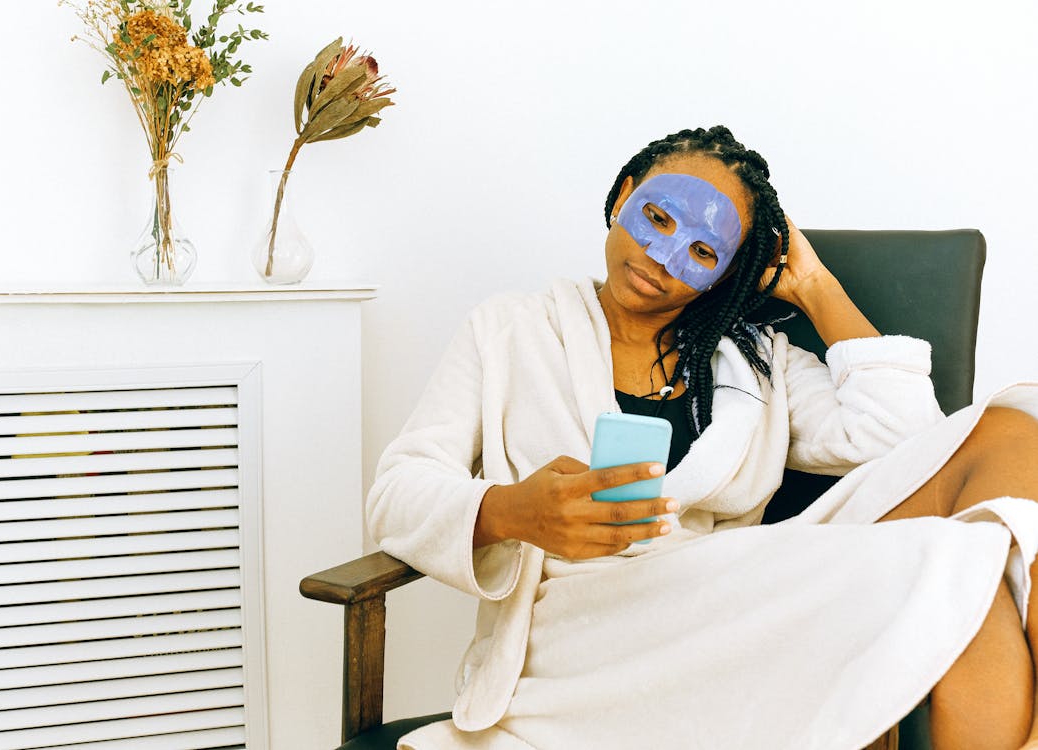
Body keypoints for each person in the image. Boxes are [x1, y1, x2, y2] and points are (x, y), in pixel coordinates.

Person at [367, 126, 1038, 750]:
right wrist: (513, 511)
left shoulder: (754, 361)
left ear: (725, 272)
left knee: (1010, 440)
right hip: (581, 627)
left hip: (727, 607)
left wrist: (812, 285)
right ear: (623, 196)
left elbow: (906, 438)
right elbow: (396, 492)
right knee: (958, 566)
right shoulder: (510, 330)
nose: (662, 258)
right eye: (657, 219)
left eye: (702, 250)